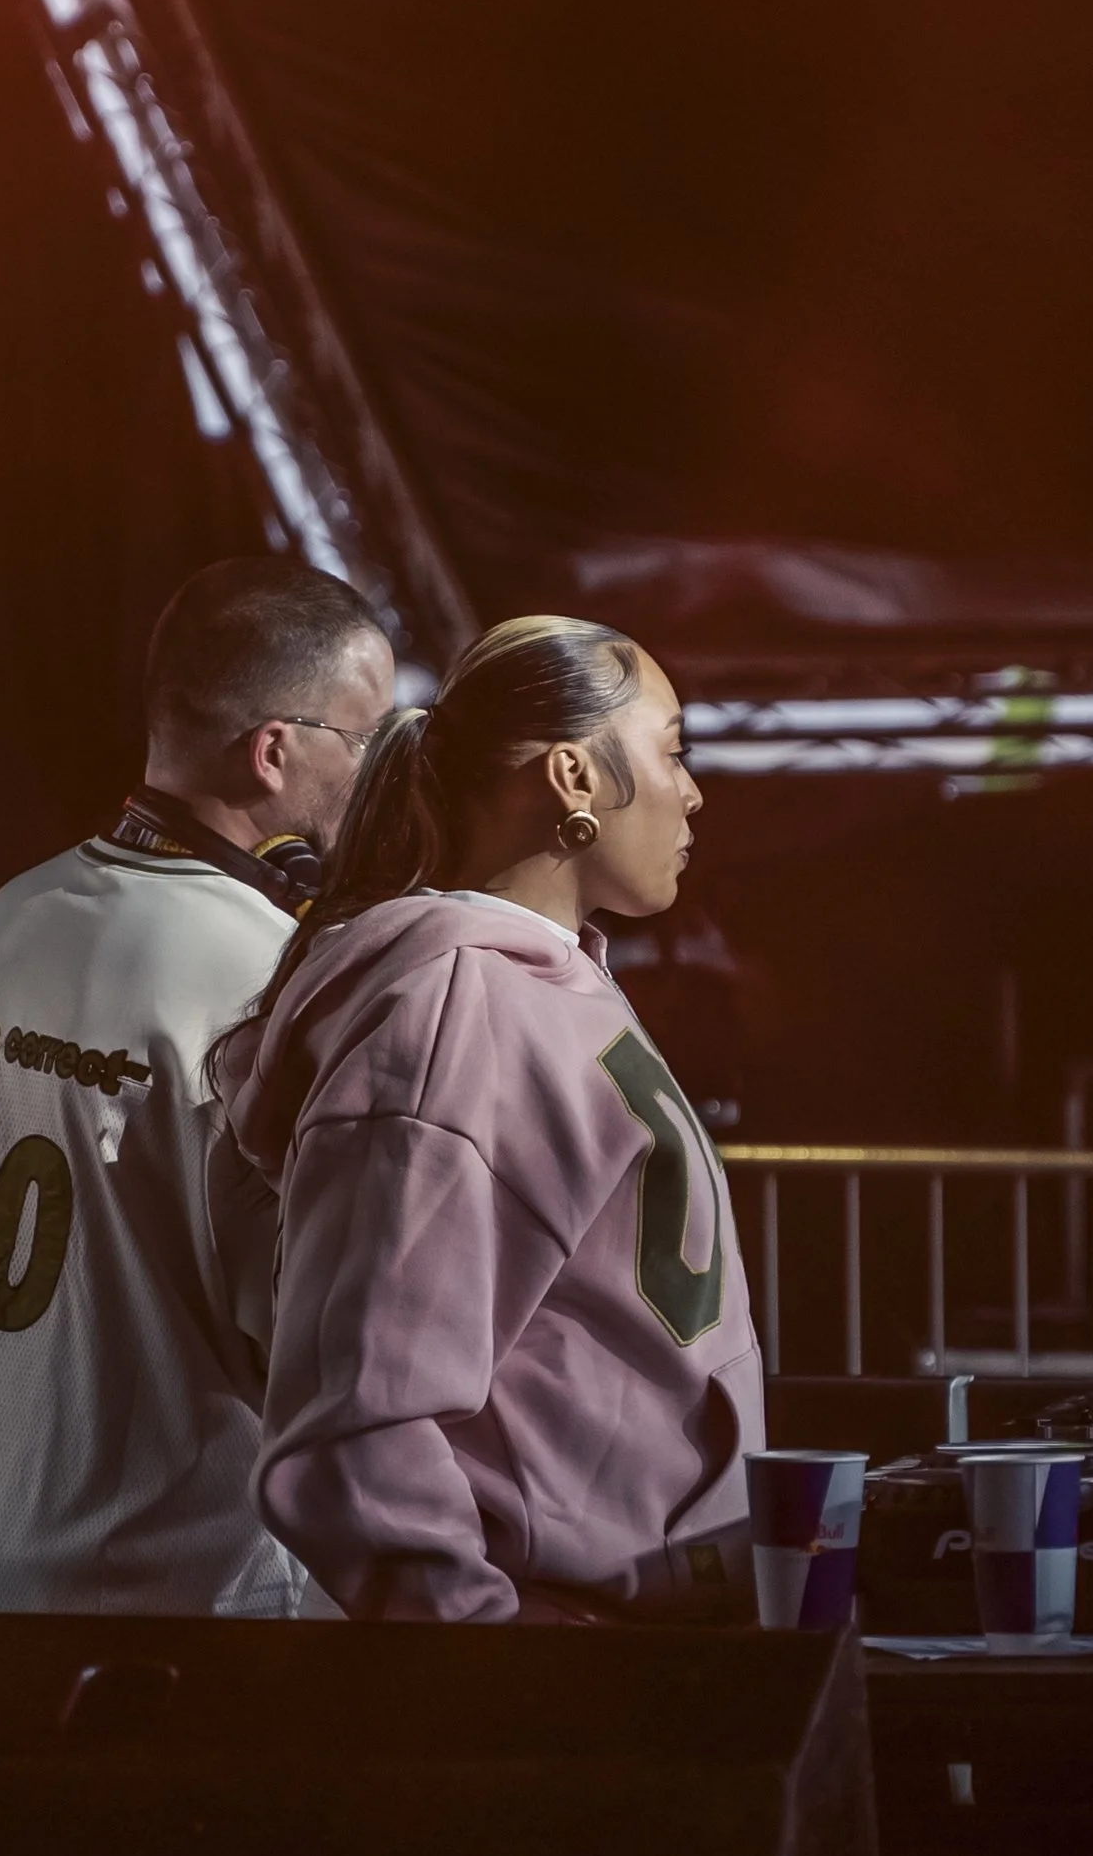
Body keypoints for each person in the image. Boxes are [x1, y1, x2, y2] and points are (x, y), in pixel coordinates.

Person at [215, 615, 760, 1623]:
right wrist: (486, 1657)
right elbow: (355, 1428)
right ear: (572, 775)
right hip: (562, 1655)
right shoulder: (456, 1005)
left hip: (629, 1638)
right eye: (672, 750)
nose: (691, 792)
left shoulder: (531, 983)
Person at [0, 558, 396, 1615]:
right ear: (274, 751)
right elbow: (313, 1351)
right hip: (159, 1616)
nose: (380, 769)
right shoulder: (272, 980)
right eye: (368, 736)